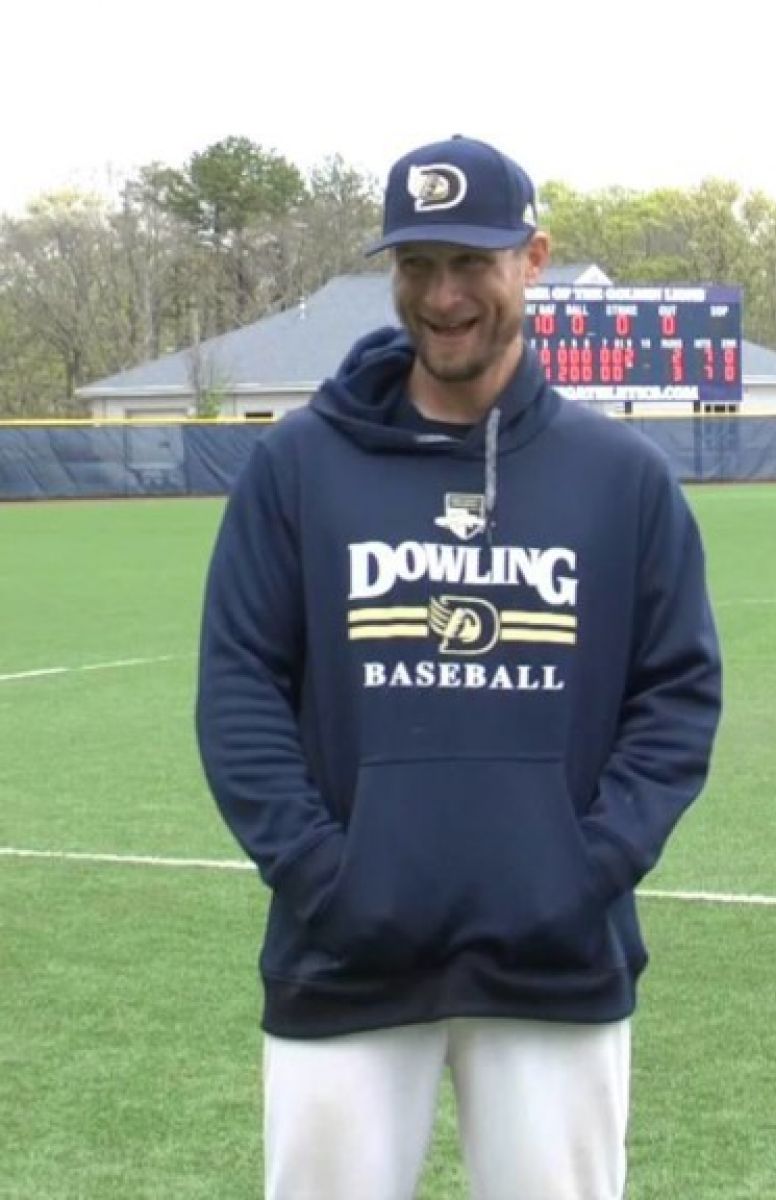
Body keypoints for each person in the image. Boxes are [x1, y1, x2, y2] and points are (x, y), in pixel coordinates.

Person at [196, 135, 723, 1199]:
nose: (442, 297)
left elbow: (676, 695)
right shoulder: (299, 464)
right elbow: (241, 685)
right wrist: (324, 876)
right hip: (344, 955)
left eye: (470, 263)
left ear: (533, 259)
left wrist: (583, 868)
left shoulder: (620, 479)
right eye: (417, 264)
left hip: (554, 955)